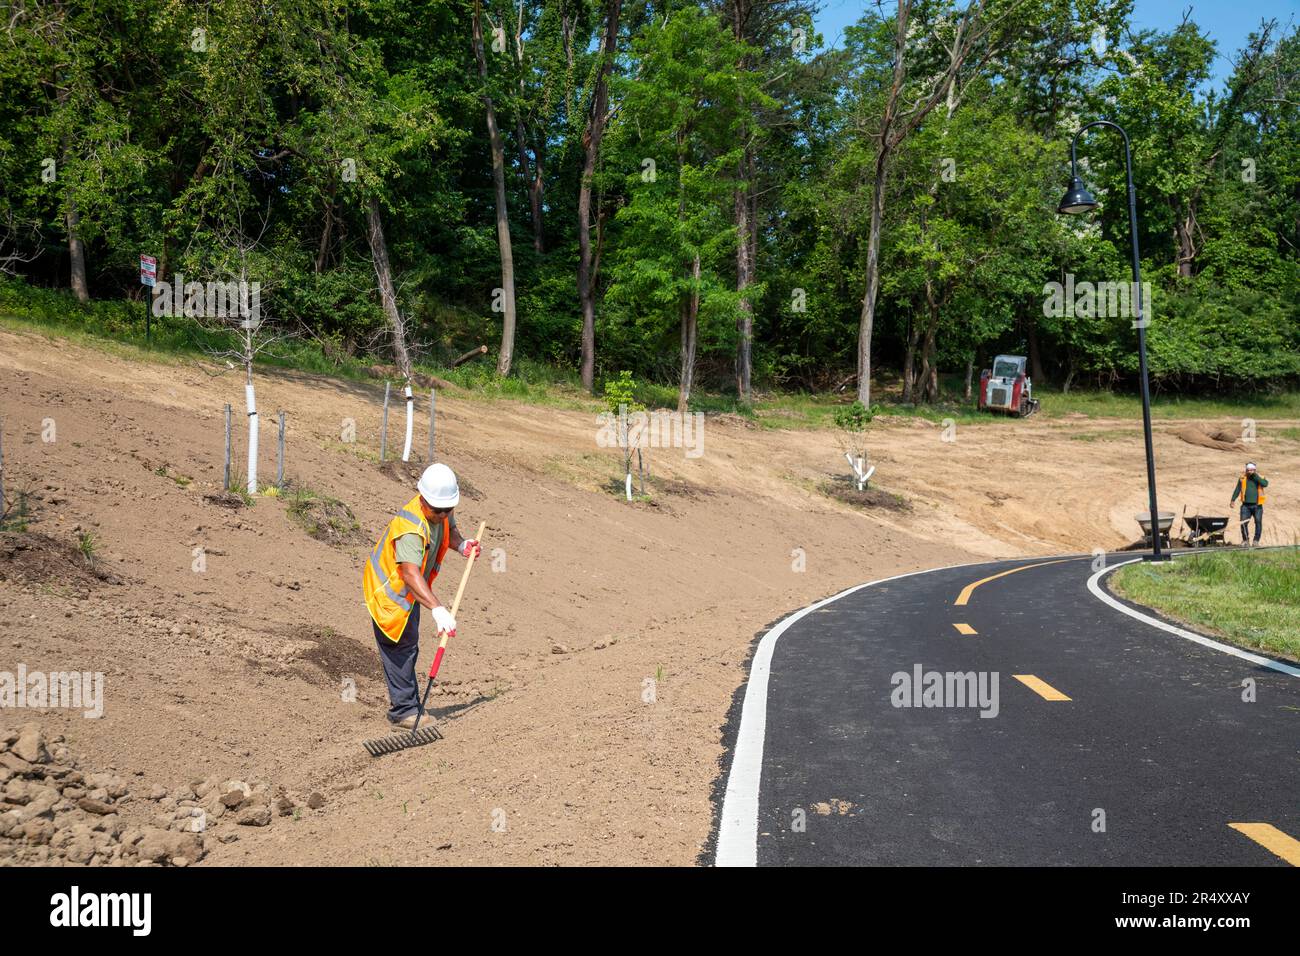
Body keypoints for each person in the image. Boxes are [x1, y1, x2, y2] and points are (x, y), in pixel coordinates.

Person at [363, 463, 481, 729]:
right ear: (422, 499)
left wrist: (461, 544)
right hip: (390, 596)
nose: (442, 515)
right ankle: (404, 711)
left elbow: (448, 531)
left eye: (447, 510)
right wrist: (438, 609)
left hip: (411, 594)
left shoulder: (441, 510)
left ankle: (410, 704)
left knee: (409, 644)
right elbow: (409, 573)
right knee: (400, 648)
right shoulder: (410, 529)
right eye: (437, 510)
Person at [1229, 461, 1268, 547]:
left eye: (1251, 470)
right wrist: (1232, 500)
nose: (1249, 472)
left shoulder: (1260, 477)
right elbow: (1237, 489)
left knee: (1258, 522)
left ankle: (1256, 541)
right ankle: (1245, 540)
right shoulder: (1242, 478)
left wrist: (1255, 476)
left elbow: (1265, 484)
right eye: (1248, 470)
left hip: (1257, 506)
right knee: (1243, 523)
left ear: (1254, 470)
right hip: (1245, 506)